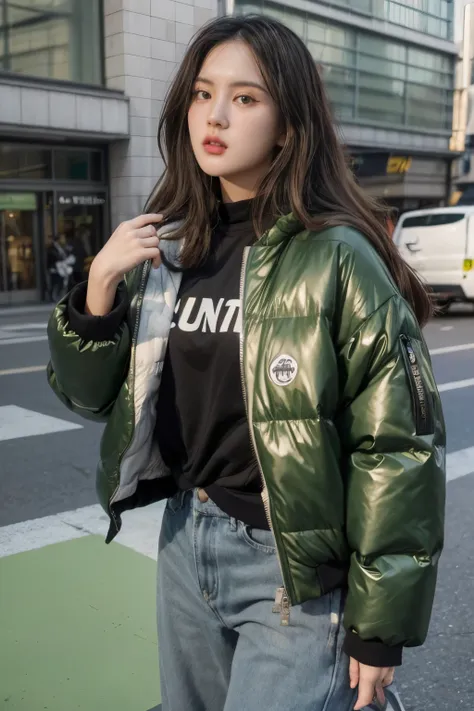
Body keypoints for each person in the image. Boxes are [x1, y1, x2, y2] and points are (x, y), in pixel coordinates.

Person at [47, 15, 446, 711]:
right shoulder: (168, 247)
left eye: (246, 98)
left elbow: (397, 449)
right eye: (203, 94)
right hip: (184, 540)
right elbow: (88, 399)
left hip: (290, 569)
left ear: (289, 125)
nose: (217, 115)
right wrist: (99, 287)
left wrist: (379, 630)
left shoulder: (337, 256)